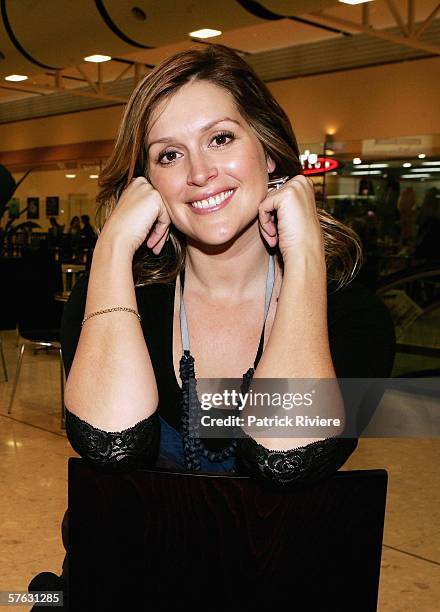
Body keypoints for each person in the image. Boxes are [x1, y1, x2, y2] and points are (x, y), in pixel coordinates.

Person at [29, 44, 395, 605]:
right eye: (169, 155)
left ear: (269, 153)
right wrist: (110, 253)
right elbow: (110, 447)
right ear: (145, 185)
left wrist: (304, 261)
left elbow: (281, 456)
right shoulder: (119, 299)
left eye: (221, 139)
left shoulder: (351, 316)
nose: (200, 173)